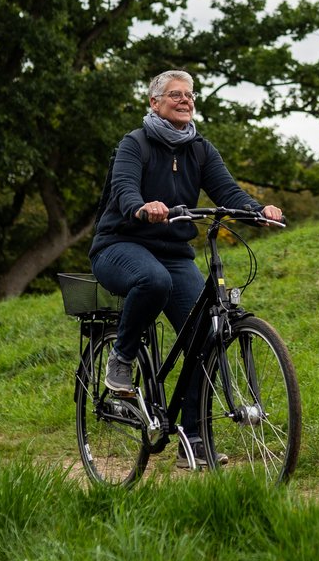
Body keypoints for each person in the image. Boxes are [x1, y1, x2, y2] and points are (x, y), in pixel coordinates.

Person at [90, 69, 282, 468]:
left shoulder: (200, 148)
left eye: (190, 95)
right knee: (152, 280)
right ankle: (121, 360)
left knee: (205, 337)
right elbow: (124, 188)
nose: (185, 100)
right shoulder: (135, 143)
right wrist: (143, 206)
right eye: (175, 94)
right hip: (121, 245)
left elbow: (227, 191)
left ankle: (193, 441)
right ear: (154, 102)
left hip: (175, 253)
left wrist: (256, 210)